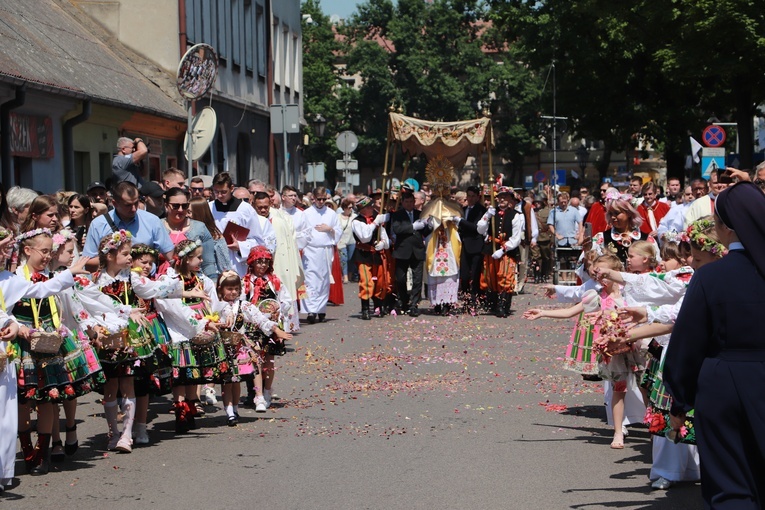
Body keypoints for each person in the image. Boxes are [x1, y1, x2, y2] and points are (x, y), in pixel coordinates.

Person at [664, 182, 765, 507]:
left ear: (724, 227)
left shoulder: (711, 277)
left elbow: (687, 345)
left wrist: (681, 398)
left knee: (732, 486)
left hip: (726, 386)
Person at [154, 239, 226, 434]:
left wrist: (218, 317)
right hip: (178, 329)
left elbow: (215, 301)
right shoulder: (170, 280)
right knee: (180, 373)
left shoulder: (202, 279)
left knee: (193, 369)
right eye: (198, 257)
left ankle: (191, 404)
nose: (202, 261)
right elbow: (170, 306)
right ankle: (180, 408)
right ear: (186, 260)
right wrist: (198, 322)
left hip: (199, 329)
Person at [242, 246, 293, 409]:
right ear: (252, 262)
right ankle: (257, 395)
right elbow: (242, 303)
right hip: (253, 327)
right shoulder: (246, 282)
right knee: (255, 361)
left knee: (269, 362)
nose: (263, 265)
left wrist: (279, 309)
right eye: (259, 261)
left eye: (266, 262)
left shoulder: (274, 281)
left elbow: (287, 300)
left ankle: (268, 391)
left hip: (272, 327)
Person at [82, 181, 175, 270]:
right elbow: (88, 262)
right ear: (114, 203)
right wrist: (115, 259)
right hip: (113, 283)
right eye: (128, 205)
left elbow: (171, 256)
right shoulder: (98, 224)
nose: (134, 209)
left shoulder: (152, 221)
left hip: (147, 282)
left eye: (136, 203)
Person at [253, 191, 303, 332]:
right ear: (253, 205)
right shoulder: (251, 221)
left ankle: (282, 327)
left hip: (279, 265)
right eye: (259, 207)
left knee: (281, 295)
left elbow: (289, 246)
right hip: (258, 265)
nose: (263, 210)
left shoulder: (280, 222)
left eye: (266, 207)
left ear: (270, 204)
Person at [208, 172, 275, 276]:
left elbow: (258, 241)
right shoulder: (209, 208)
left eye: (223, 192)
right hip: (214, 264)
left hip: (238, 265)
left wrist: (240, 246)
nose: (219, 195)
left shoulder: (245, 209)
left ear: (232, 188)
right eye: (216, 192)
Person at [480, 188, 524, 317]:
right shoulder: (491, 212)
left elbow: (516, 238)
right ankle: (492, 304)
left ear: (510, 199)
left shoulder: (516, 215)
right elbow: (480, 229)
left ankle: (503, 306)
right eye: (500, 197)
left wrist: (503, 249)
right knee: (491, 277)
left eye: (505, 197)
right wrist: (487, 216)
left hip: (507, 250)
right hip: (490, 248)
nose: (502, 199)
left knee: (505, 277)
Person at [301, 187, 342, 323]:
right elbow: (301, 231)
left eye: (324, 199)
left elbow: (338, 230)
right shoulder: (306, 213)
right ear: (313, 197)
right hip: (310, 250)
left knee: (324, 281)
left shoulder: (331, 213)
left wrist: (329, 229)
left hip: (325, 250)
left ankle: (321, 309)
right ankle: (311, 311)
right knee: (310, 280)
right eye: (319, 199)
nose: (321, 202)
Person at [390, 189, 432, 317]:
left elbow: (425, 232)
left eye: (411, 201)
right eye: (406, 201)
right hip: (402, 250)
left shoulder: (420, 214)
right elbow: (397, 229)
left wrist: (429, 225)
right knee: (401, 278)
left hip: (417, 250)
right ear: (402, 202)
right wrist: (412, 227)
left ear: (414, 202)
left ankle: (414, 304)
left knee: (417, 279)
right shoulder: (397, 215)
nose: (409, 204)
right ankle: (404, 301)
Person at [351, 196, 390, 320]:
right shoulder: (356, 221)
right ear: (362, 209)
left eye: (372, 206)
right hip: (363, 254)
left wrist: (383, 243)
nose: (372, 208)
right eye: (368, 207)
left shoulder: (376, 220)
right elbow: (365, 237)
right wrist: (374, 223)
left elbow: (386, 239)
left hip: (376, 254)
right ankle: (365, 309)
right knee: (366, 281)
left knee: (380, 281)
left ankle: (379, 306)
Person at [457, 186, 489, 312]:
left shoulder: (481, 210)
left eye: (473, 196)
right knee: (464, 275)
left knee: (475, 274)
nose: (470, 199)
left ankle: (474, 300)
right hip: (464, 245)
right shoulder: (463, 209)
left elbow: (476, 227)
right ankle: (465, 299)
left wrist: (461, 221)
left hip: (476, 245)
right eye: (468, 196)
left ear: (477, 197)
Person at [337, 198, 357, 284]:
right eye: (349, 207)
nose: (351, 209)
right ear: (344, 208)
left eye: (352, 207)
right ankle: (345, 276)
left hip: (352, 241)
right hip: (341, 241)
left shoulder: (355, 217)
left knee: (351, 259)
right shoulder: (338, 217)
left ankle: (350, 275)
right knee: (343, 259)